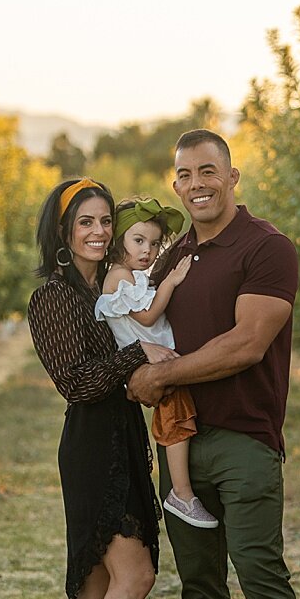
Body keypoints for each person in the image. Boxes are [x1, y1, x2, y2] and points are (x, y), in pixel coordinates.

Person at [126, 129, 300, 599]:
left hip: (245, 440)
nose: (197, 183)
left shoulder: (267, 248)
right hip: (182, 442)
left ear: (233, 178)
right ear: (175, 185)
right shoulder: (175, 251)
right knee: (200, 582)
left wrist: (162, 376)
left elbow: (246, 344)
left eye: (209, 171)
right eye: (185, 174)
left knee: (260, 575)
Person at [26, 176, 173, 599]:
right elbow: (78, 383)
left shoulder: (117, 289)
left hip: (122, 435)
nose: (98, 231)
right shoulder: (53, 299)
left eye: (105, 221)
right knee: (133, 576)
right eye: (85, 222)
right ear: (64, 232)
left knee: (98, 582)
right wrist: (138, 354)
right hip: (92, 445)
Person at [94, 196, 219, 530]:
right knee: (175, 411)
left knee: (177, 408)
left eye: (153, 243)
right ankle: (181, 492)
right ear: (119, 240)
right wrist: (171, 282)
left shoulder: (130, 273)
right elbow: (148, 317)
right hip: (142, 361)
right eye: (138, 241)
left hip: (151, 356)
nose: (147, 250)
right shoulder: (119, 276)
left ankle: (183, 489)